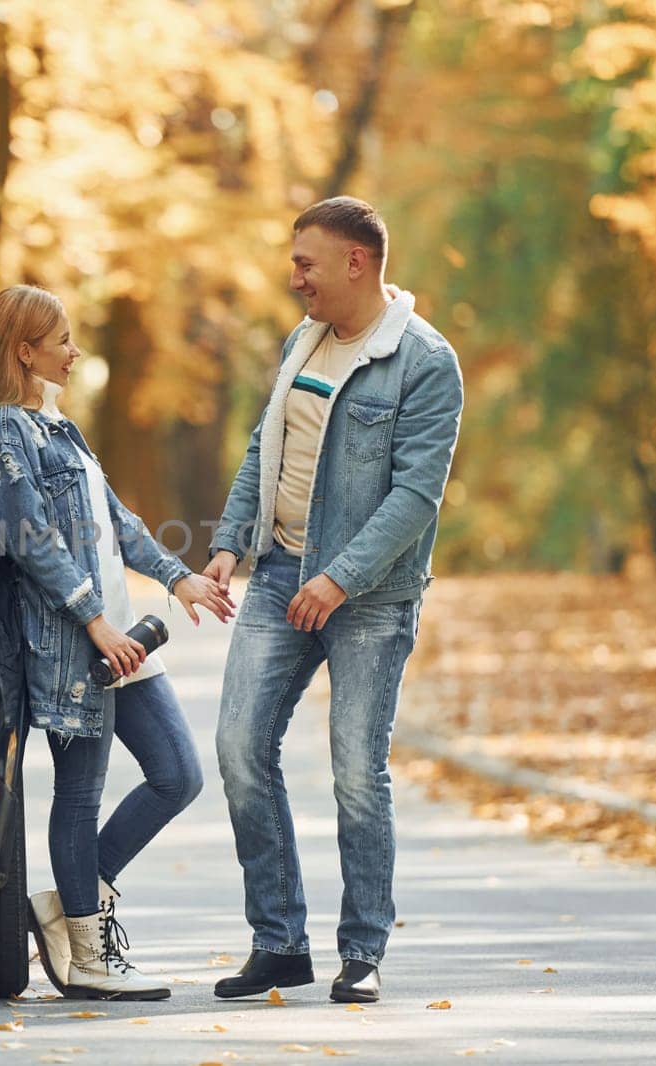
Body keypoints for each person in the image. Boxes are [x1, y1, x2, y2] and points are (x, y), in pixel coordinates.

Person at [204, 197, 463, 1004]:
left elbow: (417, 497)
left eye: (306, 264)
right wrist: (227, 541)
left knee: (357, 770)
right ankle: (279, 942)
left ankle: (363, 951)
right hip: (280, 575)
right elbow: (264, 444)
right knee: (240, 750)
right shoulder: (302, 341)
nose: (294, 279)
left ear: (357, 262)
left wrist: (339, 576)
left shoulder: (423, 360)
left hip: (371, 597)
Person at [0, 285, 237, 1000]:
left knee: (178, 773)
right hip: (77, 641)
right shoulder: (2, 430)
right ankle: (88, 953)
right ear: (25, 350)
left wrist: (180, 580)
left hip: (120, 636)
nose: (74, 352)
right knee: (80, 795)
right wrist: (93, 621)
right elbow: (31, 542)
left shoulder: (60, 431)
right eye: (62, 340)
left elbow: (119, 523)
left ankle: (65, 904)